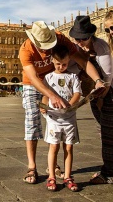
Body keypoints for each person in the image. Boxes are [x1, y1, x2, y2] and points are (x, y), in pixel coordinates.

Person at [19, 21, 105, 184]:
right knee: (32, 121)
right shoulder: (25, 49)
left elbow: (83, 62)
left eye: (47, 45)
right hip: (32, 84)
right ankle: (32, 166)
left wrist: (98, 80)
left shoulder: (60, 39)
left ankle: (54, 165)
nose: (45, 49)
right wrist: (52, 96)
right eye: (42, 46)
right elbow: (33, 78)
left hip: (54, 80)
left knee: (56, 124)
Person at [69, 15, 113, 184]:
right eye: (77, 38)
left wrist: (102, 97)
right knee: (102, 131)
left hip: (107, 93)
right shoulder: (76, 47)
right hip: (94, 95)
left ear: (91, 35)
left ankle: (108, 173)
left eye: (84, 38)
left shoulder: (100, 45)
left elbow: (107, 77)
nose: (80, 41)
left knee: (108, 134)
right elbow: (71, 67)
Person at [41, 45, 81, 191]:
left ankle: (68, 176)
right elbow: (45, 94)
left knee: (68, 148)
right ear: (52, 61)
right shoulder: (49, 77)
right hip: (53, 118)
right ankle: (51, 176)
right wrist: (43, 106)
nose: (61, 66)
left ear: (69, 61)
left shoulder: (73, 77)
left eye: (64, 64)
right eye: (58, 63)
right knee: (54, 146)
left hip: (69, 118)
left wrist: (69, 105)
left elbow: (77, 93)